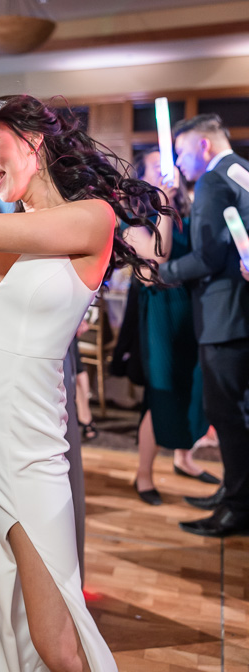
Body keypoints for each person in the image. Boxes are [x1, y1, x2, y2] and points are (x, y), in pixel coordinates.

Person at [0, 94, 174, 672]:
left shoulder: (92, 218)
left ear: (32, 139)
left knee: (56, 645)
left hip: (26, 454)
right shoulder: (7, 231)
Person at [159, 115, 249, 537]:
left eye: (181, 151)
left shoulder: (214, 180)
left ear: (204, 147)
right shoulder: (242, 170)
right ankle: (234, 491)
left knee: (226, 414)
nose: (178, 161)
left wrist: (161, 272)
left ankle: (238, 506)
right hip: (240, 313)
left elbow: (208, 257)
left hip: (225, 316)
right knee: (237, 413)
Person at [123, 148, 215, 505]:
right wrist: (163, 202)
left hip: (190, 309)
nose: (169, 171)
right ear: (142, 177)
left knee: (192, 385)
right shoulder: (132, 219)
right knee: (160, 391)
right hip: (159, 312)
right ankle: (143, 475)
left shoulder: (185, 209)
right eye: (158, 167)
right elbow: (157, 257)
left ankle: (184, 459)